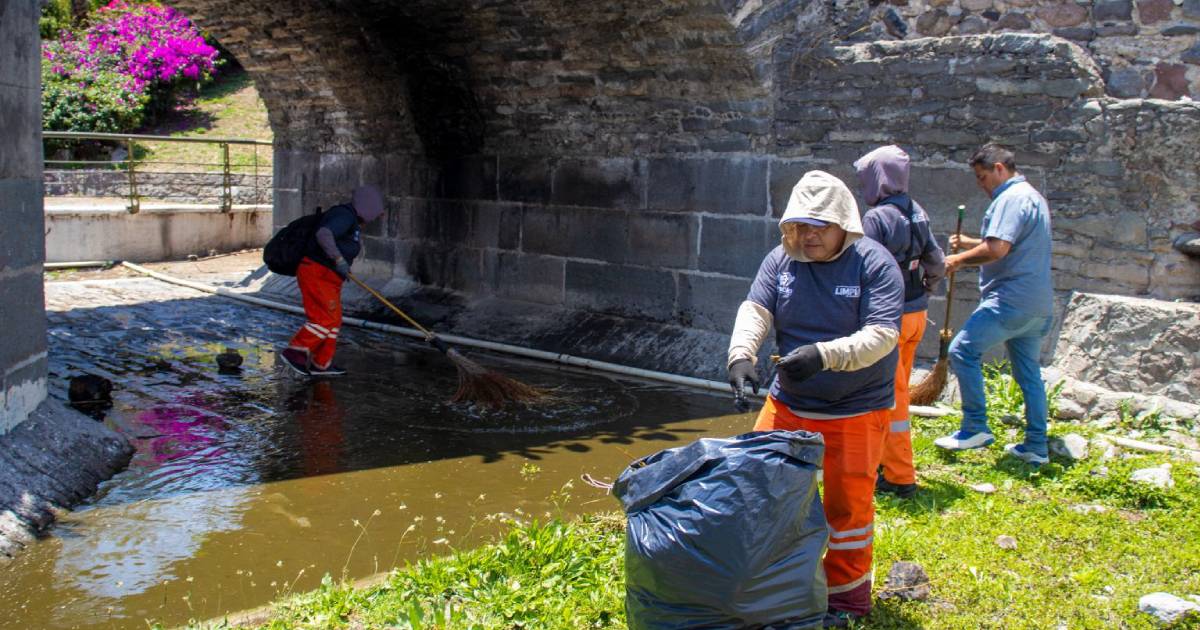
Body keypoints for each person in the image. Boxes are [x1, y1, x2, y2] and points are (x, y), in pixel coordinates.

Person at [727, 170, 904, 626]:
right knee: (760, 493)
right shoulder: (780, 261)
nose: (808, 236)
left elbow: (883, 336)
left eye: (819, 226)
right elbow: (756, 308)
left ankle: (845, 600)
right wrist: (741, 355)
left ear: (844, 222)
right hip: (787, 405)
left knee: (847, 511)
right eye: (800, 226)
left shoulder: (874, 263)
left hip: (856, 409)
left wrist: (824, 356)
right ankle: (776, 586)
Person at [933, 143, 1054, 465]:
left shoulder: (1009, 199)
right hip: (1037, 304)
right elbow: (1012, 245)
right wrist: (973, 244)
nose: (981, 185)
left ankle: (975, 426)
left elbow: (998, 250)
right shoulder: (1033, 197)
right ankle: (1036, 446)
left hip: (1009, 300)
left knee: (961, 351)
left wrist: (958, 258)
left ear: (1000, 168)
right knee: (1029, 374)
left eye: (982, 177)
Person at [853, 145, 946, 499]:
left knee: (891, 401)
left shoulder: (876, 219)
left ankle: (900, 476)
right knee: (897, 390)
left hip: (887, 320)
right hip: (916, 315)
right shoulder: (917, 211)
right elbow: (936, 262)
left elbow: (862, 267)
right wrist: (926, 287)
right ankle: (881, 462)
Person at [278, 185, 385, 377]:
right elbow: (324, 234)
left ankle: (322, 363)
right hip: (317, 272)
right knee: (324, 318)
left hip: (330, 277)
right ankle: (296, 352)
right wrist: (339, 260)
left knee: (334, 320)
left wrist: (342, 267)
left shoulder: (352, 220)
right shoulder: (343, 215)